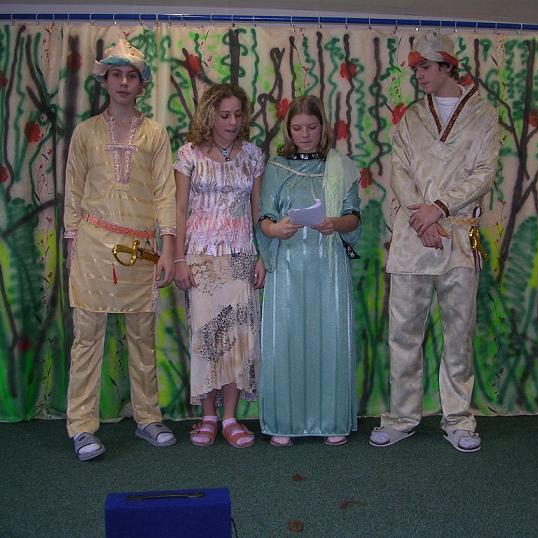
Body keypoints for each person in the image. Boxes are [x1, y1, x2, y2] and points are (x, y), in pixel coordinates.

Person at [369, 32, 499, 453]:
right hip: (413, 237)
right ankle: (402, 417)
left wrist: (439, 208)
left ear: (447, 66)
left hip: (458, 236)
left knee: (459, 333)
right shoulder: (411, 118)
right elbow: (400, 170)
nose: (419, 75)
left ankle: (458, 418)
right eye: (416, 69)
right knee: (403, 333)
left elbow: (484, 172)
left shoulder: (483, 115)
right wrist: (421, 217)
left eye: (426, 67)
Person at [64, 39, 177, 461]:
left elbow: (165, 193)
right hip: (93, 244)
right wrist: (71, 246)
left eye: (131, 75)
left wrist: (168, 249)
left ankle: (148, 418)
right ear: (105, 81)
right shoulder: (85, 133)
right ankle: (81, 426)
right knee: (87, 339)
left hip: (140, 248)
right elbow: (73, 192)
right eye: (116, 74)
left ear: (141, 83)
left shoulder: (156, 134)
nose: (124, 82)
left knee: (142, 338)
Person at [255, 95, 361, 447]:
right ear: (288, 129)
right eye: (298, 128)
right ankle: (284, 422)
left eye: (312, 127)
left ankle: (331, 419)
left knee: (329, 338)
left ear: (323, 127)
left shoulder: (340, 166)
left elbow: (354, 216)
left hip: (328, 266)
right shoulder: (276, 167)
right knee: (286, 339)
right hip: (287, 266)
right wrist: (275, 229)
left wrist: (335, 223)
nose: (305, 134)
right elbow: (264, 216)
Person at [174, 84, 265, 448]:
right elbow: (179, 209)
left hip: (241, 255)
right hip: (200, 257)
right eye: (224, 115)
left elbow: (259, 212)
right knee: (207, 337)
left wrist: (262, 257)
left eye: (238, 115)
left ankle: (229, 417)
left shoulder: (253, 156)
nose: (232, 122)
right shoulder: (188, 155)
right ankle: (208, 416)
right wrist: (178, 258)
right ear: (209, 115)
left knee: (237, 340)